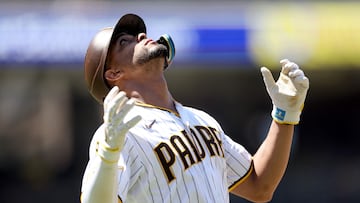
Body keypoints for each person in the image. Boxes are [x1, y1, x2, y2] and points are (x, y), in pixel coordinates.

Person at [80, 13, 309, 203]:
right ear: (114, 74)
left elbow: (260, 186)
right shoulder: (117, 135)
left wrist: (284, 115)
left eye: (138, 34)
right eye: (125, 42)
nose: (141, 36)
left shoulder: (201, 119)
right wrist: (109, 153)